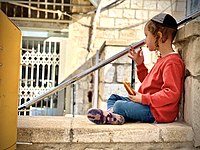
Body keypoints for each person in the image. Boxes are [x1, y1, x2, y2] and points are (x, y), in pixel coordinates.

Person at [87, 13, 185, 125]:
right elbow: (148, 83)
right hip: (148, 104)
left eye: (146, 35)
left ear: (159, 35)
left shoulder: (172, 62)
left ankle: (114, 115)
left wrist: (144, 98)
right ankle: (115, 116)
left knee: (119, 105)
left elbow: (171, 93)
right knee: (113, 98)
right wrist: (140, 65)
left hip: (157, 111)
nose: (144, 40)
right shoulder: (162, 59)